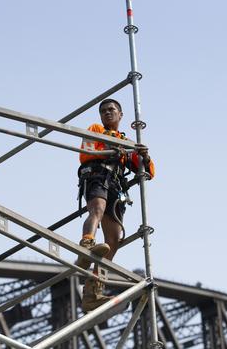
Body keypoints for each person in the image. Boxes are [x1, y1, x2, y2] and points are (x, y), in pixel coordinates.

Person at [75, 98, 155, 312]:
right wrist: (112, 151)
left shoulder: (126, 141)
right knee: (97, 209)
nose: (107, 113)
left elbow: (148, 172)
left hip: (115, 186)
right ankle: (86, 243)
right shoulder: (96, 130)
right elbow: (86, 154)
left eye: (111, 110)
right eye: (103, 111)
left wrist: (144, 157)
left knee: (114, 238)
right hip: (97, 175)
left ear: (121, 115)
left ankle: (93, 290)